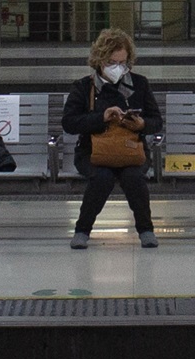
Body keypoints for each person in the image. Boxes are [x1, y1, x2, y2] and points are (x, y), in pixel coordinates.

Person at [66, 27, 164, 249]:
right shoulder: (84, 87)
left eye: (123, 63)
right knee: (102, 177)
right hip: (92, 152)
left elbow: (156, 120)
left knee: (133, 177)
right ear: (100, 60)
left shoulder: (139, 84)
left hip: (132, 150)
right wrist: (101, 118)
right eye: (112, 63)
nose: (118, 68)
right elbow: (70, 123)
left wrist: (142, 124)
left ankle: (146, 230)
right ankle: (82, 230)